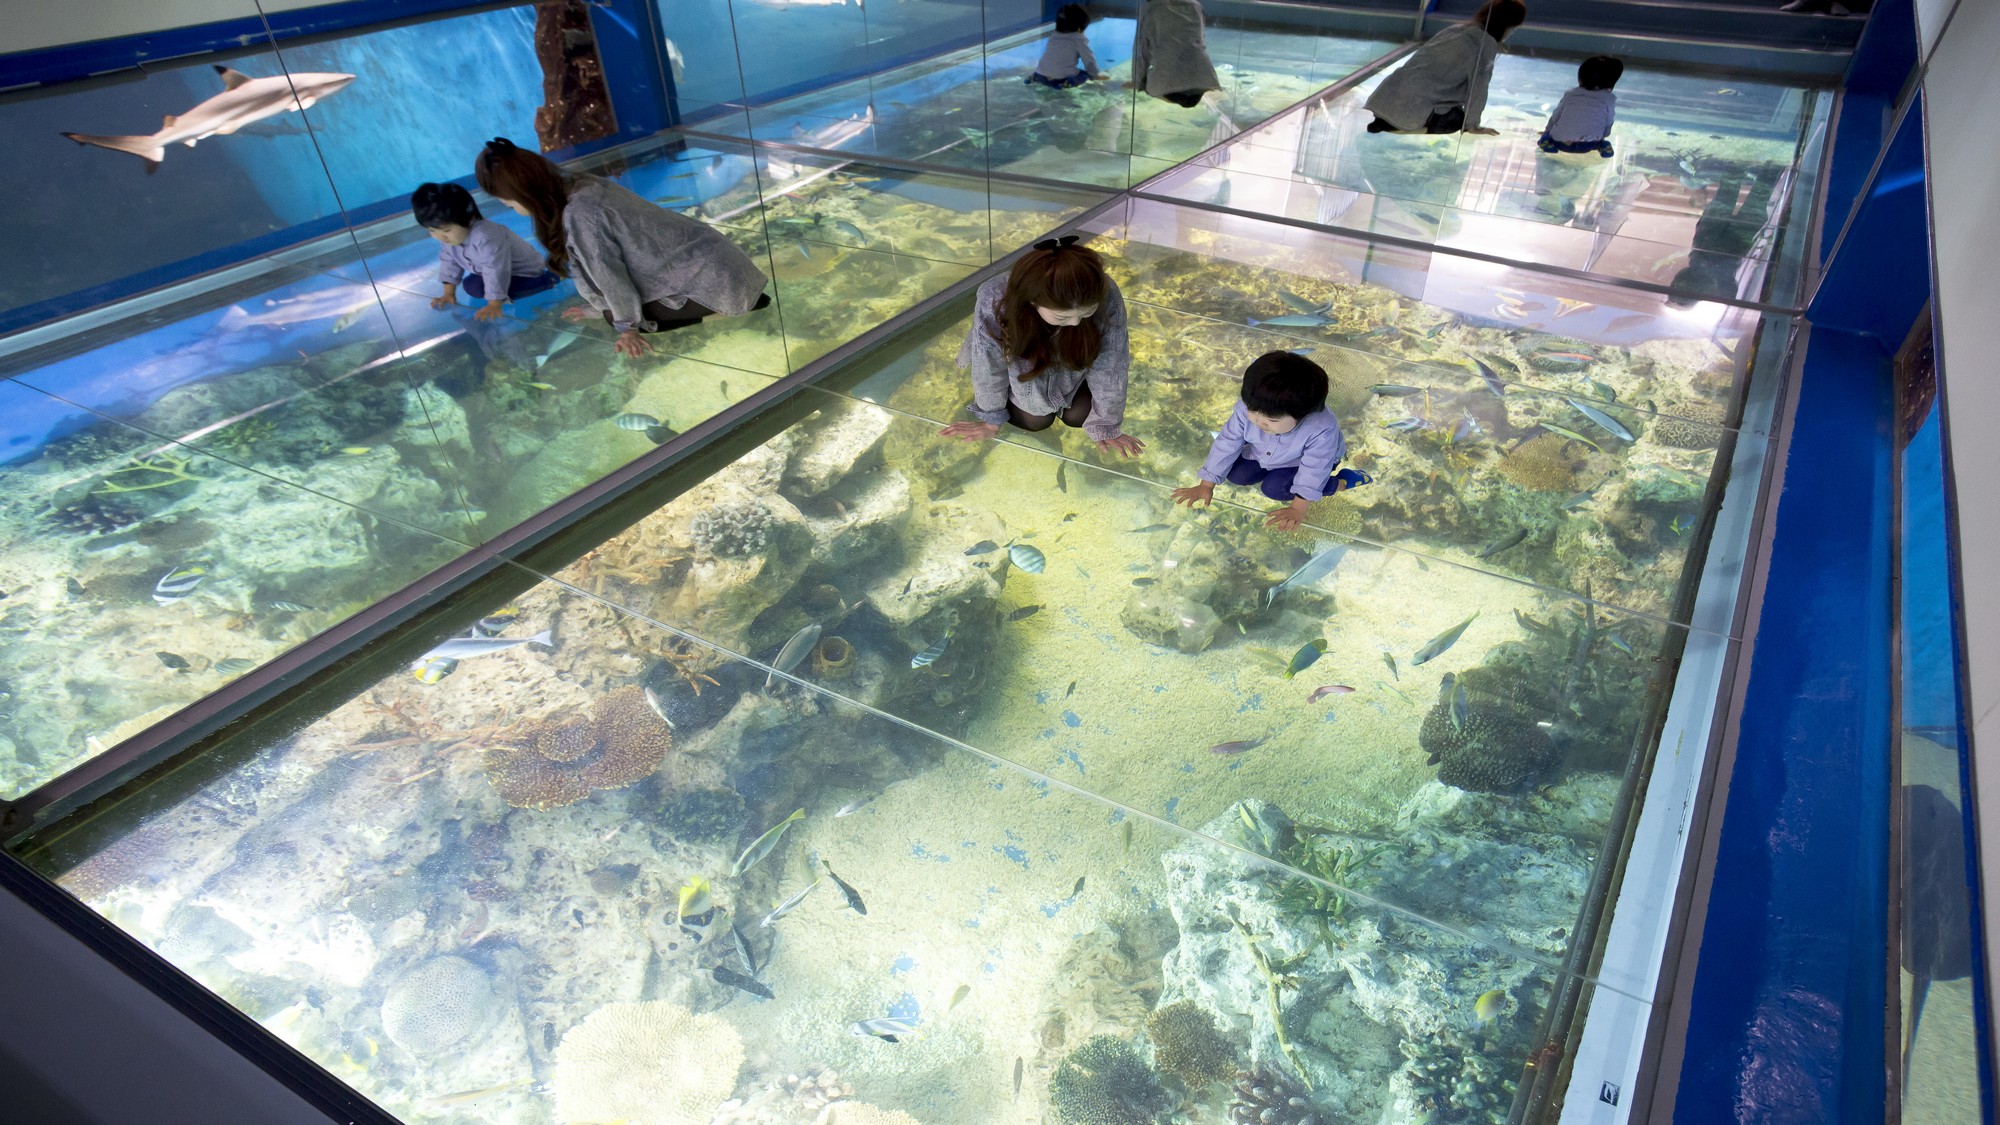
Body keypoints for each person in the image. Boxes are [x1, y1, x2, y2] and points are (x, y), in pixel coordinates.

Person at [474, 137, 770, 357]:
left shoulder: (580, 215)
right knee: (610, 311)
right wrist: (595, 307)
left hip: (719, 282)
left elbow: (610, 277)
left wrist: (626, 328)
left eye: (508, 203)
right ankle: (736, 304)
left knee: (615, 318)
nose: (512, 209)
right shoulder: (581, 184)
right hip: (723, 263)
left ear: (527, 194)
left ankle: (732, 310)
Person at [940, 236, 1144, 457]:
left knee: (1079, 415)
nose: (1075, 322)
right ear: (1033, 300)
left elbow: (1112, 362)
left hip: (1072, 366)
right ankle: (1017, 403)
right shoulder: (995, 300)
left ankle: (1065, 398)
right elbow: (988, 364)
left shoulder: (1106, 292)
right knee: (1037, 419)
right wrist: (991, 418)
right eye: (1062, 316)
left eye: (1086, 313)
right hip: (1022, 375)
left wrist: (1106, 424)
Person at [1171, 351, 1369, 530]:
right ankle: (1272, 472)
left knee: (1274, 489)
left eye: (1272, 420)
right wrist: (1206, 485)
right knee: (1236, 475)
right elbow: (1227, 442)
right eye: (1253, 411)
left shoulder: (1321, 428)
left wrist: (1297, 509)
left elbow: (1314, 468)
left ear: (1303, 415)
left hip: (1300, 463)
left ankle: (1341, 482)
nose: (1259, 422)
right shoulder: (1252, 406)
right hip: (1263, 452)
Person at [1363, 0, 1527, 136]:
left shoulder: (1454, 29)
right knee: (1456, 119)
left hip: (1382, 100)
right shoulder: (1485, 44)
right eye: (1513, 27)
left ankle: (1386, 123)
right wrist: (1472, 125)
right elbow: (1478, 88)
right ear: (1505, 26)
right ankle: (1404, 127)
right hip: (1412, 111)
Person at [412, 181, 556, 321]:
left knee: (494, 293)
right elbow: (449, 261)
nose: (439, 237)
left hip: (524, 272)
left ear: (468, 219)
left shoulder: (486, 237)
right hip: (499, 271)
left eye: (446, 230)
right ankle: (502, 294)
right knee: (472, 286)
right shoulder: (450, 238)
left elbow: (496, 269)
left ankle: (547, 280)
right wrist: (448, 293)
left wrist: (494, 304)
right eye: (431, 230)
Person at [1132, 0, 1221, 109]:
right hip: (1201, 78)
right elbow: (1200, 40)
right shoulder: (1195, 5)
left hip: (1167, 82)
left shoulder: (1150, 9)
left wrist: (1138, 82)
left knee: (1153, 88)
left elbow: (1141, 50)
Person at [1538, 56, 1622, 157]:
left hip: (1561, 142)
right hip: (1589, 144)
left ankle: (1545, 140)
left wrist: (1548, 130)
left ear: (1581, 78)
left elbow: (1557, 115)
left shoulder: (1571, 94)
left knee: (1549, 135)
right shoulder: (1609, 99)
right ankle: (1602, 145)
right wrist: (1604, 135)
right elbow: (1608, 121)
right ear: (1611, 83)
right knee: (1598, 140)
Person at [1029, 5, 1107, 89]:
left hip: (1041, 75)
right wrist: (1094, 75)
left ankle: (1035, 77)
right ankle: (1070, 83)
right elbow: (1089, 59)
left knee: (1049, 67)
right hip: (1060, 79)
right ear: (1079, 28)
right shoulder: (1079, 39)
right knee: (1084, 75)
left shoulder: (1053, 35)